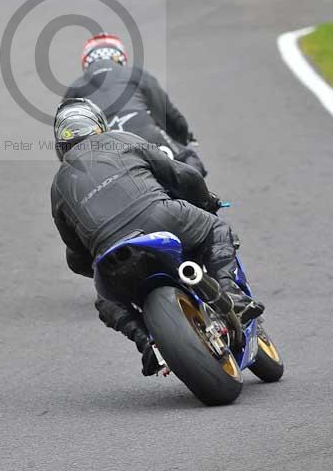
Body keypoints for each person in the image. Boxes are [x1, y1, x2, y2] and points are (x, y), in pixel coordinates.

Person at [51, 98, 264, 376]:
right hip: (161, 217)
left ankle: (148, 344)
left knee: (107, 301)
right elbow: (180, 174)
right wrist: (205, 200)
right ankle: (232, 295)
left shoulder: (57, 185)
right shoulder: (120, 139)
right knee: (216, 229)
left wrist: (98, 263)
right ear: (98, 125)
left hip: (111, 253)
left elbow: (76, 257)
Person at [63, 33, 206, 175]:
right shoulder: (135, 73)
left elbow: (65, 140)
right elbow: (167, 113)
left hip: (104, 149)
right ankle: (204, 198)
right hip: (146, 133)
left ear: (87, 61)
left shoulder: (74, 88)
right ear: (118, 56)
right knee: (189, 166)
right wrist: (184, 137)